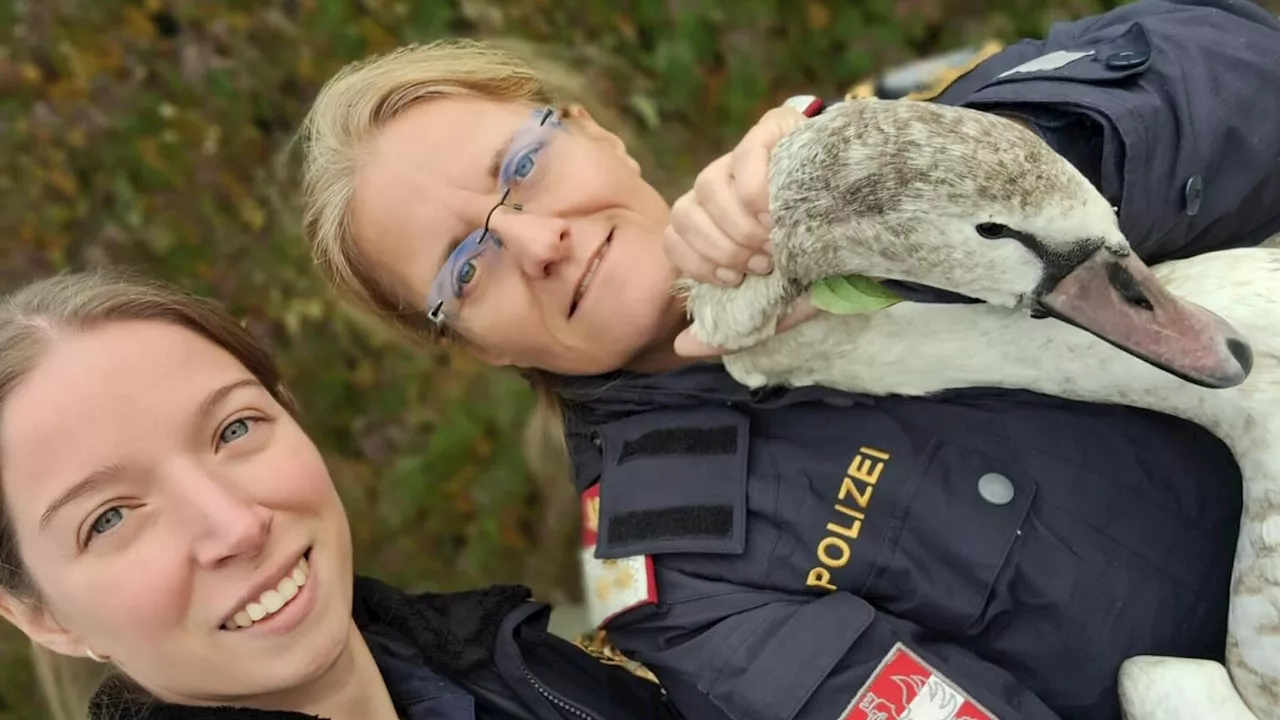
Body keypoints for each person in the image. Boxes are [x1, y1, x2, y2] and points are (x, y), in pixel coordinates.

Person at [295, 0, 1280, 717]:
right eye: (465, 270)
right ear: (465, 347)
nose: (533, 239)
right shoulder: (677, 582)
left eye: (521, 166)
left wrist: (964, 173)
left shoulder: (858, 131)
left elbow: (1243, 60)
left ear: (594, 132)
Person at [0, 270, 680, 720]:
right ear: (45, 619)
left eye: (234, 428)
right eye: (111, 518)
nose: (235, 526)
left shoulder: (543, 653)